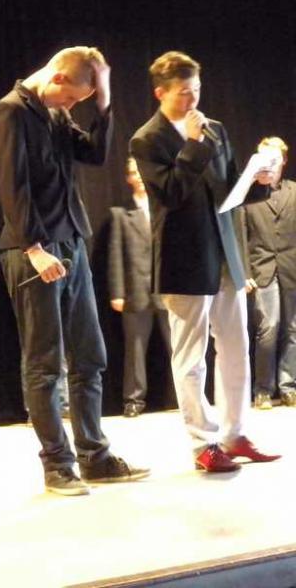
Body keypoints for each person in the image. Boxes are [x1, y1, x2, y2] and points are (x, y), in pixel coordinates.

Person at [0, 46, 148, 496]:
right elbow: (12, 186)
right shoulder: (10, 112)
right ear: (57, 77)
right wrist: (34, 248)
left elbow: (94, 154)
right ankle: (57, 465)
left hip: (71, 241)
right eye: (73, 97)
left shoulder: (55, 113)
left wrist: (105, 102)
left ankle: (94, 456)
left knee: (89, 356)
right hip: (33, 249)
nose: (73, 106)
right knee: (45, 363)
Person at [130, 50, 280, 473]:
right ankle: (203, 443)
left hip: (225, 253)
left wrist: (259, 182)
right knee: (191, 356)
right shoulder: (147, 139)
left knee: (235, 347)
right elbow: (172, 194)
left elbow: (228, 189)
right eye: (183, 92)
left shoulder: (215, 128)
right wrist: (194, 145)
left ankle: (235, 434)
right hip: (185, 257)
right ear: (160, 93)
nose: (193, 99)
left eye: (196, 89)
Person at [107, 157, 172, 417]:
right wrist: (117, 292)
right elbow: (115, 254)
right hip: (135, 290)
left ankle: (186, 396)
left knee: (178, 346)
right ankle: (133, 400)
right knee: (135, 349)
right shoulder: (120, 214)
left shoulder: (165, 207)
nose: (140, 177)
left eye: (142, 171)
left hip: (167, 289)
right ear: (128, 178)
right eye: (134, 172)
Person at [238, 137, 296, 410]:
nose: (269, 165)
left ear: (283, 160)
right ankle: (263, 388)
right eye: (264, 159)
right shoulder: (248, 194)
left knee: (292, 329)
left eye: (274, 159)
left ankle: (288, 386)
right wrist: (243, 271)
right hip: (262, 268)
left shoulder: (294, 192)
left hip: (291, 268)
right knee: (268, 327)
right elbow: (240, 234)